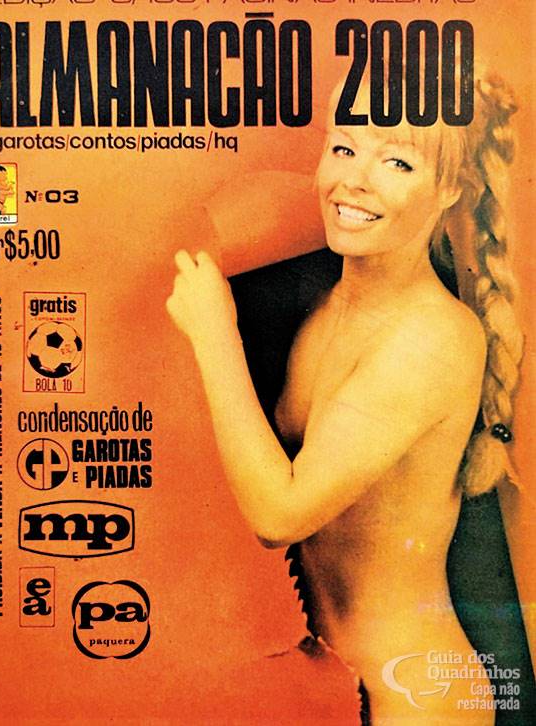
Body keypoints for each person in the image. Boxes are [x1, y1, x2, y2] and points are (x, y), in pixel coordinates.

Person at [165, 72, 523, 723]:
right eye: (343, 148)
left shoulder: (436, 338)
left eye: (397, 162)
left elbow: (280, 515)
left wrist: (214, 334)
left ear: (450, 188)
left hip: (413, 702)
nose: (354, 179)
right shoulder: (327, 306)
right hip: (326, 690)